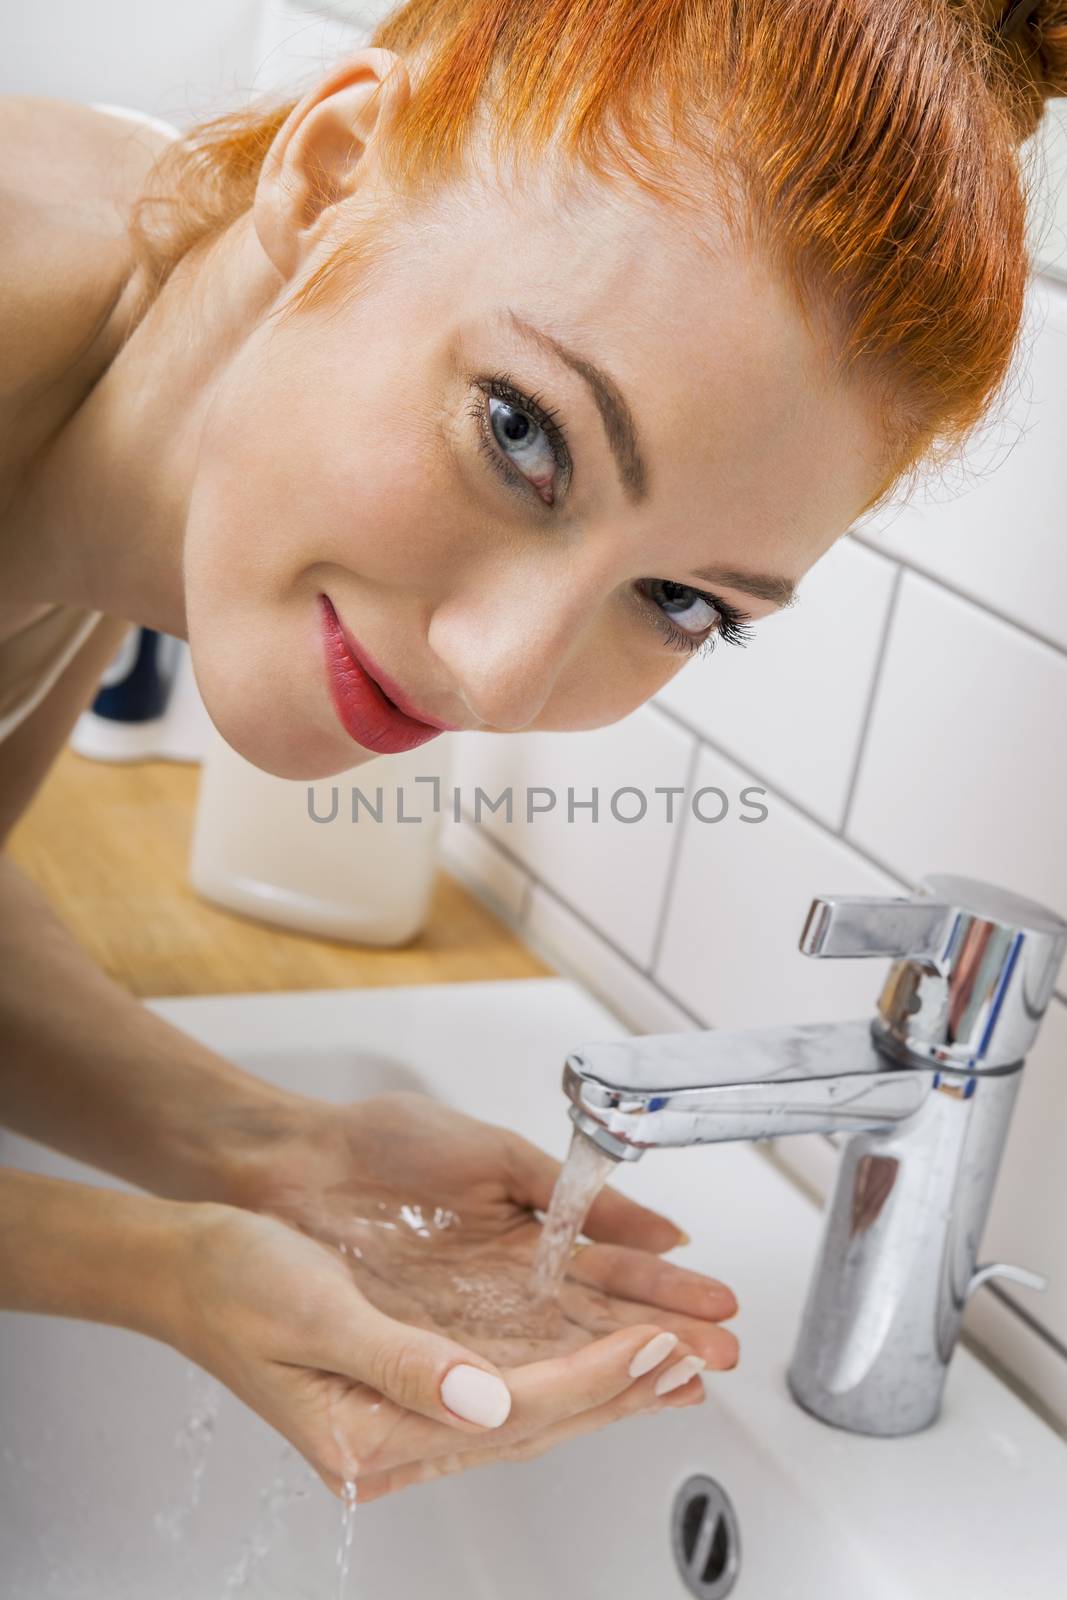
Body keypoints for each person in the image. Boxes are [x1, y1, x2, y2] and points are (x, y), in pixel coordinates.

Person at [0, 0, 1062, 1506]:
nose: (498, 673)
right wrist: (162, 1270)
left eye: (682, 602)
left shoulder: (130, 421)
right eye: (520, 434)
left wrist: (258, 1143)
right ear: (334, 166)